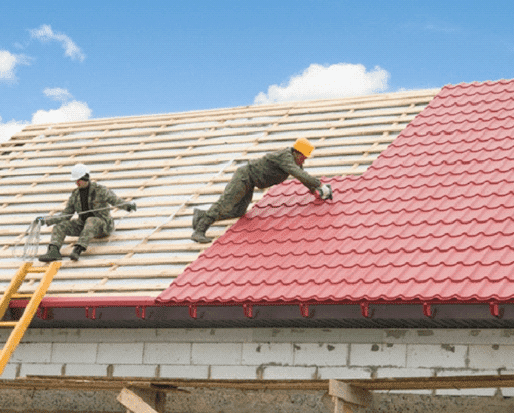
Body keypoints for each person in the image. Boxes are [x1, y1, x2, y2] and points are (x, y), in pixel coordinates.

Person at [191, 137, 332, 243]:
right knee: (225, 203)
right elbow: (299, 174)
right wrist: (319, 185)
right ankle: (199, 231)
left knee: (238, 211)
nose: (304, 160)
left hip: (250, 182)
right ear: (296, 152)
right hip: (244, 177)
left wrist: (315, 190)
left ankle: (201, 216)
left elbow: (303, 177)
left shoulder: (294, 161)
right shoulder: (286, 157)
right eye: (303, 157)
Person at [38, 163, 137, 262]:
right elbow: (65, 215)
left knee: (91, 220)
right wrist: (45, 220)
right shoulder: (75, 194)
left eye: (78, 180)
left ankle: (78, 249)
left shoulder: (100, 190)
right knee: (60, 226)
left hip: (102, 226)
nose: (76, 183)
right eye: (75, 181)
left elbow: (116, 201)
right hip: (83, 225)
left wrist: (128, 206)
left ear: (85, 178)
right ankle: (54, 251)